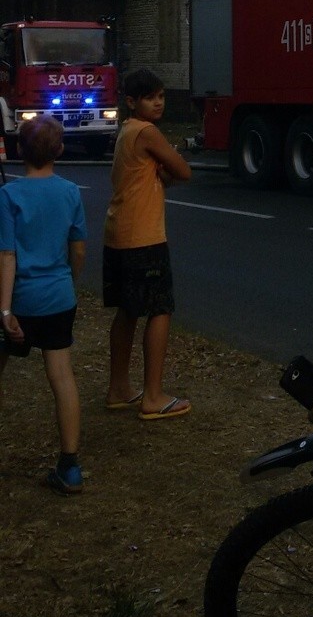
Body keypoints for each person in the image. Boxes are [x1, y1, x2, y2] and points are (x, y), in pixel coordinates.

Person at [0, 115, 87, 495]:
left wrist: (5, 312)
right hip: (58, 296)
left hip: (20, 301)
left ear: (19, 151)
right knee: (62, 376)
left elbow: (6, 256)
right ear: (60, 150)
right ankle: (69, 465)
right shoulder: (71, 192)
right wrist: (69, 280)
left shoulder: (9, 196)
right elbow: (78, 248)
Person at [103, 67, 192, 421]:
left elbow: (156, 175)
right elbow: (183, 171)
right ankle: (153, 395)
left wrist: (160, 173)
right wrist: (165, 168)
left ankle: (118, 387)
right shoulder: (148, 132)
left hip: (118, 234)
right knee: (160, 309)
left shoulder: (126, 131)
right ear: (131, 102)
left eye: (161, 97)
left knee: (127, 309)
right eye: (150, 97)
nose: (158, 103)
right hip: (144, 237)